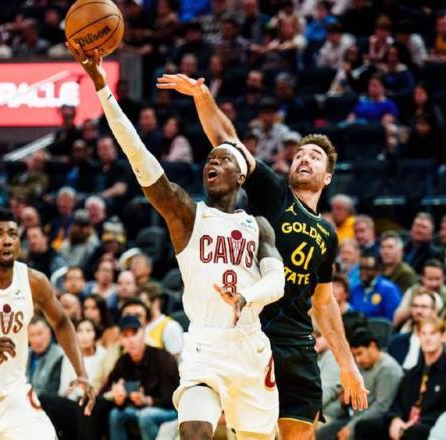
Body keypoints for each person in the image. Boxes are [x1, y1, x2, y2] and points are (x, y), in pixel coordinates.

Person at [70, 44, 286, 440]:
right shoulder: (188, 215)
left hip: (251, 347)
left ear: (241, 176)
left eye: (223, 159)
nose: (212, 162)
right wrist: (102, 88)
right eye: (209, 159)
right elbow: (138, 154)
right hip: (205, 345)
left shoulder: (257, 226)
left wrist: (247, 297)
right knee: (194, 432)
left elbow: (277, 281)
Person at [156, 73, 368, 440]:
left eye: (315, 156)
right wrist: (202, 95)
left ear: (328, 177)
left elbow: (324, 303)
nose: (304, 159)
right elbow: (228, 142)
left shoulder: (327, 233)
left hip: (299, 345)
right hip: (255, 337)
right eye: (299, 155)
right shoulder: (273, 193)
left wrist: (347, 364)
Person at [0, 208, 95, 439]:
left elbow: (62, 322)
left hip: (13, 396)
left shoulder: (34, 281)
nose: (7, 240)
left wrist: (82, 373)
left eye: (12, 234)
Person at [354, 317, 446, 440]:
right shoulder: (413, 373)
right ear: (419, 336)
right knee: (364, 426)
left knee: (414, 432)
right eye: (423, 333)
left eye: (432, 333)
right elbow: (398, 403)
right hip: (406, 422)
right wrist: (395, 419)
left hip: (431, 425)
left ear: (443, 336)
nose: (427, 338)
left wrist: (415, 422)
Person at [317, 329, 403, 440]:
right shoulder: (361, 365)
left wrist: (351, 427)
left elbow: (381, 408)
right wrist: (345, 399)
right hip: (353, 417)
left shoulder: (388, 369)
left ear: (372, 346)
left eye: (360, 353)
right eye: (354, 355)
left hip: (371, 424)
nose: (358, 359)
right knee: (321, 434)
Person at [388, 290, 438, 370]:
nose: (418, 311)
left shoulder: (439, 345)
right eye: (415, 306)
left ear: (434, 311)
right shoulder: (396, 342)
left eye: (424, 307)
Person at [349, 252, 401, 320]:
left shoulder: (389, 290)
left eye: (367, 269)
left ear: (377, 271)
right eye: (361, 268)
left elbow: (392, 318)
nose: (363, 272)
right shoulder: (354, 290)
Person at [27, 315, 63, 397]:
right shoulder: (25, 355)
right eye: (32, 335)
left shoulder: (59, 356)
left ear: (49, 333)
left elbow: (52, 390)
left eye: (40, 334)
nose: (37, 340)